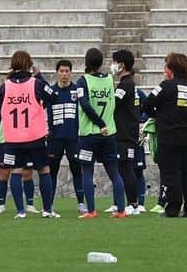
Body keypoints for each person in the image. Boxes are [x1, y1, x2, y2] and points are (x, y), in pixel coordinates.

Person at [0, 50, 58, 219]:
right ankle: (47, 209)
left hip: (13, 137)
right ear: (29, 64)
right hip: (34, 135)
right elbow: (54, 96)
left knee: (16, 170)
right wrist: (40, 76)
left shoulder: (4, 86)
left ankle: (20, 211)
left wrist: (4, 124)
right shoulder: (36, 83)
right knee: (43, 170)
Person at [142, 52, 187, 217]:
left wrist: (158, 113)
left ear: (170, 68)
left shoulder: (165, 86)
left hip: (170, 136)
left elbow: (147, 105)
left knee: (171, 173)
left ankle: (173, 208)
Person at [75, 48, 127, 219]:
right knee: (114, 173)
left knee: (87, 171)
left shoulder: (83, 81)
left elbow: (85, 105)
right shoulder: (109, 80)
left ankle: (91, 211)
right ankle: (121, 210)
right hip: (109, 134)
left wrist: (99, 123)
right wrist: (106, 124)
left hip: (90, 134)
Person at [46, 59, 85, 215]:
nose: (64, 74)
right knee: (52, 172)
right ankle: (49, 205)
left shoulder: (77, 91)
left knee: (77, 170)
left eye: (67, 71)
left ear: (71, 72)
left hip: (73, 138)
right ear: (57, 72)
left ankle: (81, 203)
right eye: (61, 71)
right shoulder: (50, 92)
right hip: (55, 139)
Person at [111, 49, 142, 215]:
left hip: (124, 133)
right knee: (123, 167)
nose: (113, 65)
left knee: (125, 168)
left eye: (114, 62)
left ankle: (133, 204)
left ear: (121, 65)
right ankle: (126, 202)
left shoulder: (126, 84)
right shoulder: (129, 84)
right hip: (128, 132)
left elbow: (114, 103)